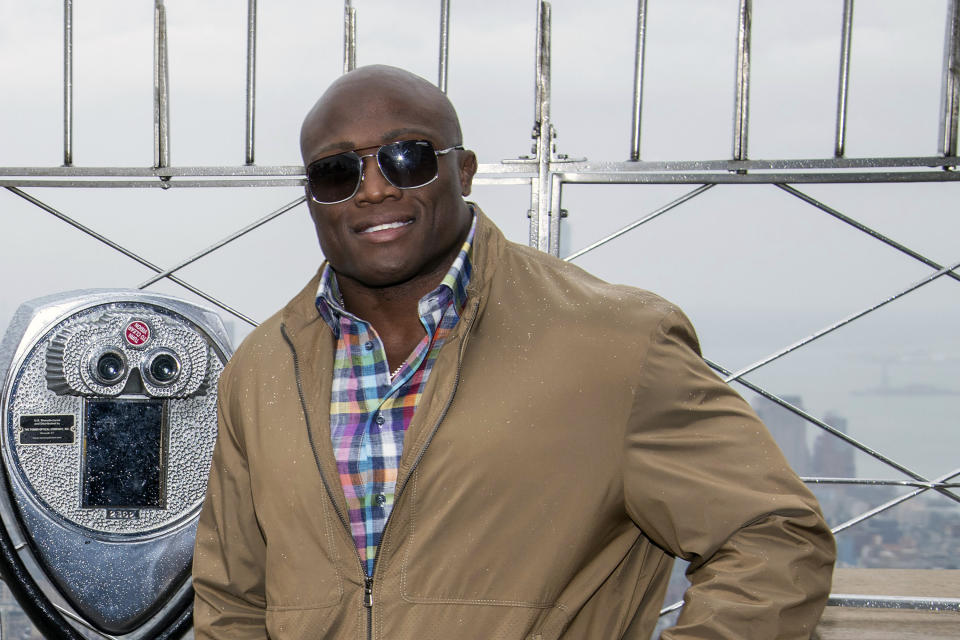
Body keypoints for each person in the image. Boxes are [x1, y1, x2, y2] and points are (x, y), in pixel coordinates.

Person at [192, 64, 835, 639]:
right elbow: (232, 602)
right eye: (338, 171)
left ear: (462, 170)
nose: (374, 189)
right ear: (311, 195)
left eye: (406, 159)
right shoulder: (261, 368)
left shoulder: (615, 342)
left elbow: (773, 537)